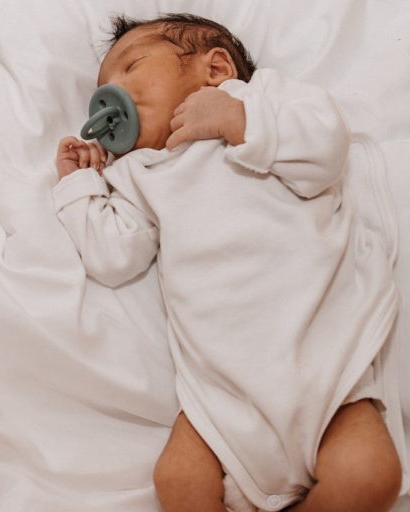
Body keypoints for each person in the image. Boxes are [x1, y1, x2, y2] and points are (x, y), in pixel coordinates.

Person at [52, 13, 404, 512]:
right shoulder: (138, 171)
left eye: (130, 67)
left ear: (216, 68)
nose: (111, 94)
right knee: (175, 479)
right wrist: (78, 185)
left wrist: (237, 122)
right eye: (104, 86)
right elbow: (112, 257)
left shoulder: (260, 104)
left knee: (371, 476)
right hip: (219, 382)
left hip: (321, 356)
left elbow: (326, 149)